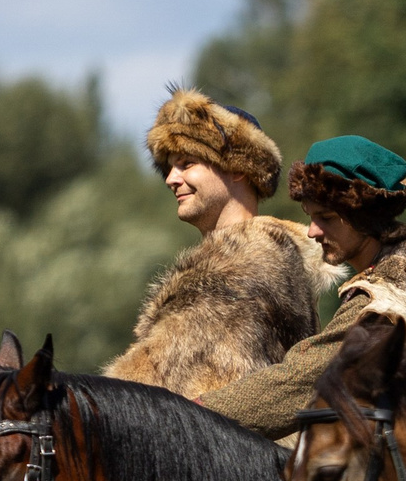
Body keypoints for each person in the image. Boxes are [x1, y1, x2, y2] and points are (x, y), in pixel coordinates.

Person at [192, 135, 406, 436]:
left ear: (364, 215)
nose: (312, 232)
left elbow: (297, 382)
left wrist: (189, 415)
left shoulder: (387, 300)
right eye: (310, 216)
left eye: (326, 217)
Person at [105, 88, 338, 395]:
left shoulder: (252, 266)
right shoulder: (268, 259)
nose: (171, 179)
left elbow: (152, 387)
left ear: (239, 168)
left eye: (187, 163)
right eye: (170, 167)